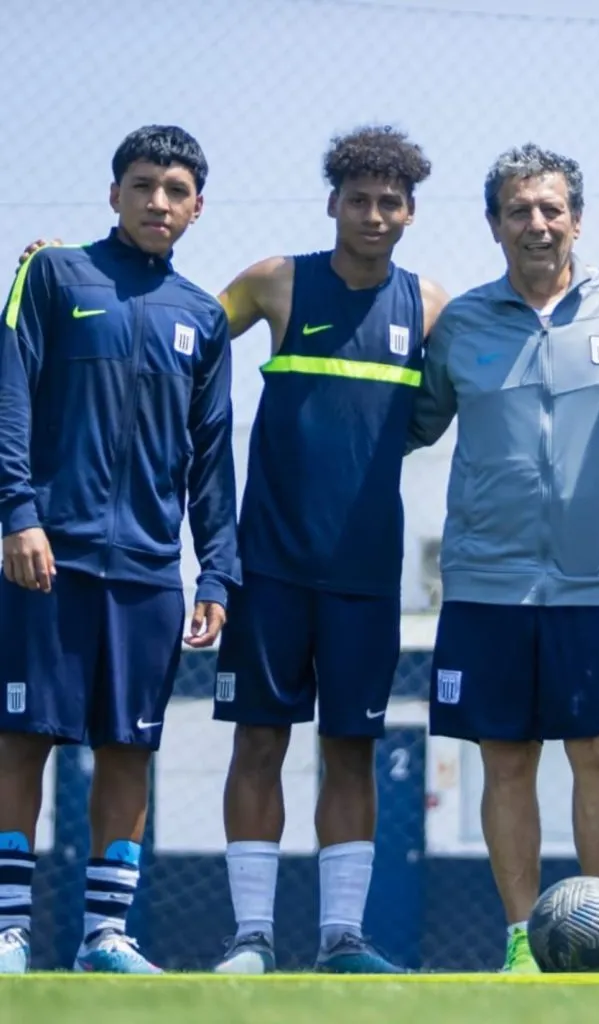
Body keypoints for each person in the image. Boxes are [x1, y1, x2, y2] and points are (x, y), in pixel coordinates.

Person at [405, 142, 599, 974]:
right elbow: (410, 424)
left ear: (578, 219)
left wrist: (595, 458)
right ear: (494, 224)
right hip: (486, 585)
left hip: (595, 586)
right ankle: (523, 941)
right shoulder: (462, 326)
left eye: (552, 208)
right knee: (506, 761)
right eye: (519, 209)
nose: (537, 223)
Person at [0, 125, 240, 974]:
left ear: (198, 207)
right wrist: (17, 513)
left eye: (176, 191)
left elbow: (214, 458)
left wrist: (216, 568)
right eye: (142, 185)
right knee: (20, 738)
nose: (158, 203)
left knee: (130, 749)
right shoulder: (55, 274)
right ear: (114, 193)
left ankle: (105, 937)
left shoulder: (204, 317)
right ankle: (8, 933)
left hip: (148, 573)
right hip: (47, 558)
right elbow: (10, 397)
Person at [210, 125, 448, 974]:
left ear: (411, 211)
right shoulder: (278, 282)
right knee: (259, 742)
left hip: (364, 575)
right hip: (267, 565)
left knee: (351, 749)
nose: (374, 215)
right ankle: (252, 940)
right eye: (359, 200)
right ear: (332, 203)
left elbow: (496, 355)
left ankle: (342, 939)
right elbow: (175, 338)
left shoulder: (429, 308)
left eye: (390, 202)